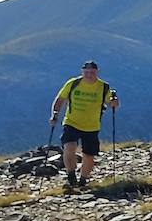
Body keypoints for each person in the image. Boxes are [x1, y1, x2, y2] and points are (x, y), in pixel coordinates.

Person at [49, 60, 119, 189]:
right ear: (82, 72)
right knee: (69, 148)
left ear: (97, 72)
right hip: (71, 122)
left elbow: (111, 103)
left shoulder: (103, 87)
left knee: (89, 155)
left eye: (92, 72)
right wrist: (55, 114)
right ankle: (71, 175)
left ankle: (82, 180)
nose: (89, 74)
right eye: (86, 72)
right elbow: (60, 99)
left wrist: (114, 102)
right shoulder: (73, 83)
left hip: (92, 126)